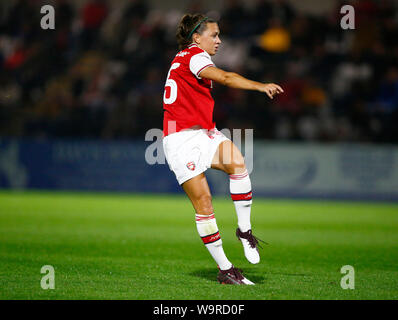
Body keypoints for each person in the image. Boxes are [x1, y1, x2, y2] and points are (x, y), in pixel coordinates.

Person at [162, 13, 283, 285]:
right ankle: (226, 269)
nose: (219, 40)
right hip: (180, 139)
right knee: (204, 204)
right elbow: (227, 78)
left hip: (203, 132)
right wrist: (260, 86)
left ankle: (244, 230)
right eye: (213, 35)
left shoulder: (188, 58)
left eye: (219, 35)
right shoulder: (194, 56)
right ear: (196, 38)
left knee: (237, 163)